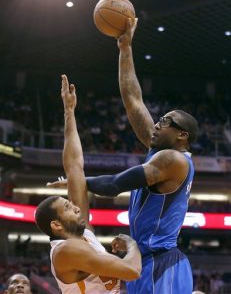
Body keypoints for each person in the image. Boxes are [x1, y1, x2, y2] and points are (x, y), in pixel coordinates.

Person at [48, 20, 199, 293]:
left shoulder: (173, 162)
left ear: (182, 135)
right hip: (147, 260)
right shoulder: (162, 153)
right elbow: (133, 99)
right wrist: (125, 47)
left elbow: (114, 185)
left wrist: (80, 181)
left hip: (159, 261)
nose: (157, 123)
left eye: (165, 121)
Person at [35, 75, 141, 294]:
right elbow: (131, 270)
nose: (74, 206)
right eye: (67, 207)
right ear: (56, 225)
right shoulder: (65, 250)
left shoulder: (84, 235)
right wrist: (132, 244)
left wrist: (69, 112)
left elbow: (74, 167)